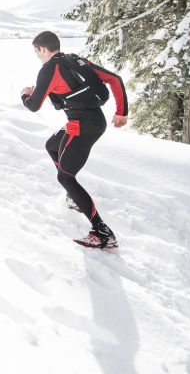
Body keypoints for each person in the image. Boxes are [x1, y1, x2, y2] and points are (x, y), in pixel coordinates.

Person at [21, 30, 128, 248]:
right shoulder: (76, 61)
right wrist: (121, 112)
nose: (38, 57)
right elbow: (115, 79)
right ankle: (74, 197)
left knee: (65, 177)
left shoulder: (48, 69)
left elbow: (33, 106)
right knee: (52, 146)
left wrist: (25, 94)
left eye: (37, 52)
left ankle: (102, 232)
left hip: (82, 126)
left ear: (43, 48)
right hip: (91, 121)